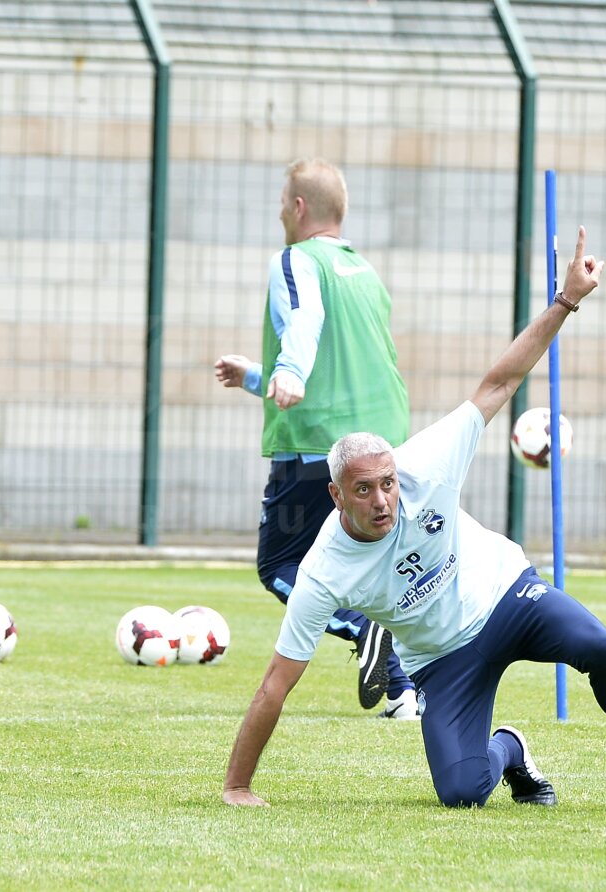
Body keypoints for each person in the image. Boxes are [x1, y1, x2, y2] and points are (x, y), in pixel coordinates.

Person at [223, 226, 606, 808]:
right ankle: (511, 749)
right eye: (364, 490)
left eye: (387, 483)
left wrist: (566, 301)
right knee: (462, 792)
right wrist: (237, 785)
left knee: (598, 644)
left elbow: (500, 381)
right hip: (442, 659)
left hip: (508, 594)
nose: (384, 499)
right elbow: (276, 685)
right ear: (336, 497)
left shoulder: (426, 465)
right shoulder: (322, 571)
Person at [215, 157, 418, 718]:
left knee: (279, 565)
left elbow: (304, 324)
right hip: (382, 452)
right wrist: (258, 377)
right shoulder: (364, 271)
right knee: (378, 567)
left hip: (315, 451)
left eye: (284, 200)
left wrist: (291, 373)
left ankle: (361, 628)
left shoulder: (296, 259)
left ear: (299, 207)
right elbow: (352, 362)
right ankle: (404, 694)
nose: (280, 210)